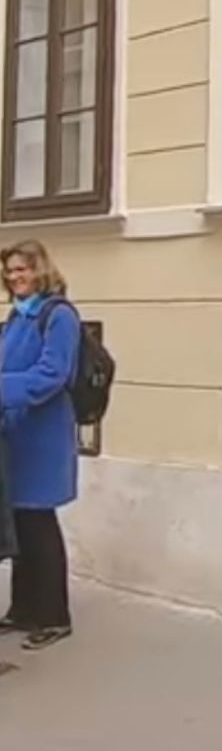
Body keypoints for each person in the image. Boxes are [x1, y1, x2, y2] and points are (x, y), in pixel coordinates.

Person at [0, 239, 80, 650]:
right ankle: (22, 609)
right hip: (14, 434)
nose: (15, 278)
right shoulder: (17, 316)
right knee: (17, 524)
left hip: (43, 436)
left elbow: (53, 373)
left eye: (22, 270)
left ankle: (54, 616)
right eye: (10, 271)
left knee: (39, 524)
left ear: (40, 270)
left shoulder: (59, 314)